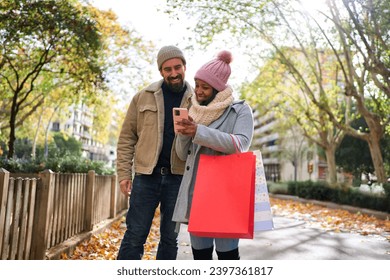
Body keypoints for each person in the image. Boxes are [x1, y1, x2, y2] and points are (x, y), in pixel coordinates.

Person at [172, 50, 254, 260]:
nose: (198, 91)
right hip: (196, 194)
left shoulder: (240, 110)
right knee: (200, 257)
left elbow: (241, 144)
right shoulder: (194, 111)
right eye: (197, 85)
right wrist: (183, 133)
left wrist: (198, 131)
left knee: (227, 257)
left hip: (225, 195)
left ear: (218, 89)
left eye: (204, 87)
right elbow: (182, 155)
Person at [116, 45, 193, 260]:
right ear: (161, 71)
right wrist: (123, 174)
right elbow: (127, 138)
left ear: (185, 67)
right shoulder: (143, 97)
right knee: (134, 236)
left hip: (178, 179)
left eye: (177, 67)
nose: (173, 73)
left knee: (170, 239)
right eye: (167, 69)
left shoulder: (196, 101)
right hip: (145, 178)